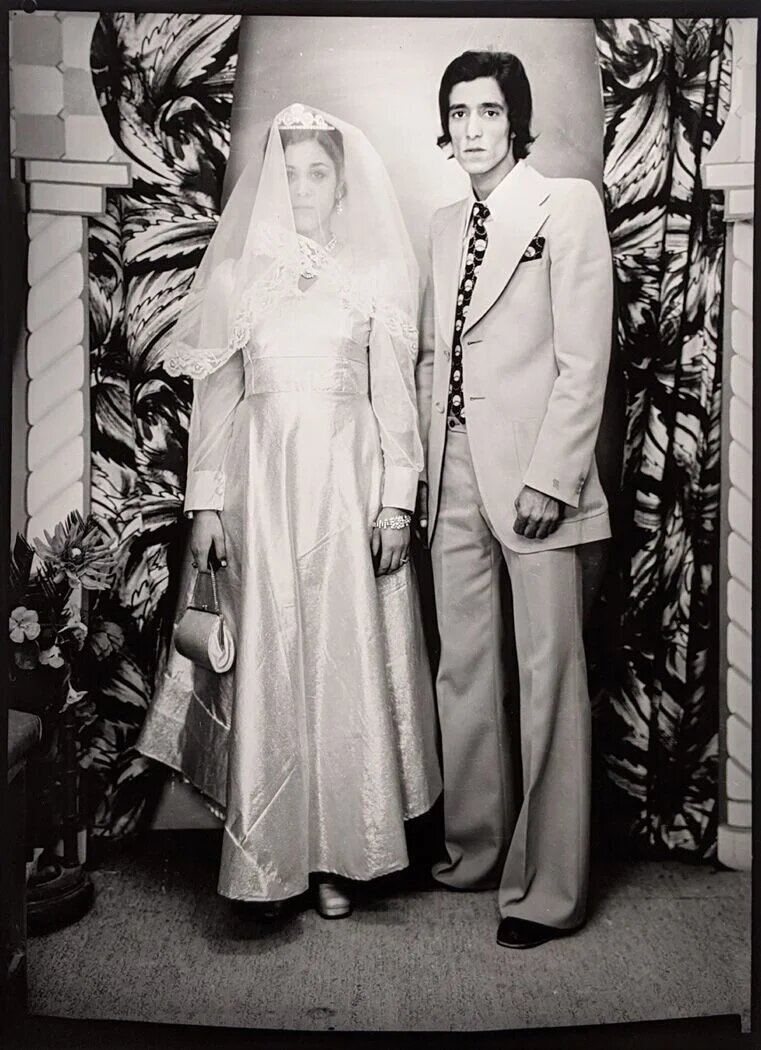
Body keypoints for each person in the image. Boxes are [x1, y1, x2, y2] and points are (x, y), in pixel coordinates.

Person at [138, 103, 441, 921]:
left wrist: (396, 504)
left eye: (317, 173)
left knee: (340, 665)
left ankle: (340, 855)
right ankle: (268, 857)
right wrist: (206, 505)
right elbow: (217, 399)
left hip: (346, 492)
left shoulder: (374, 275)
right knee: (270, 663)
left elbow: (394, 399)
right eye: (290, 173)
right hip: (261, 495)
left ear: (341, 185)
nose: (303, 188)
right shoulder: (238, 279)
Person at [416, 51, 613, 948]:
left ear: (515, 122)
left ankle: (548, 890)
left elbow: (584, 358)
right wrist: (423, 471)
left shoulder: (564, 204)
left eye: (488, 111)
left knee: (548, 681)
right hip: (452, 469)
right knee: (463, 670)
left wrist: (551, 477)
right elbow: (435, 358)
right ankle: (476, 849)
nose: (472, 127)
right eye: (458, 112)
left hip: (537, 475)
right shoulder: (441, 224)